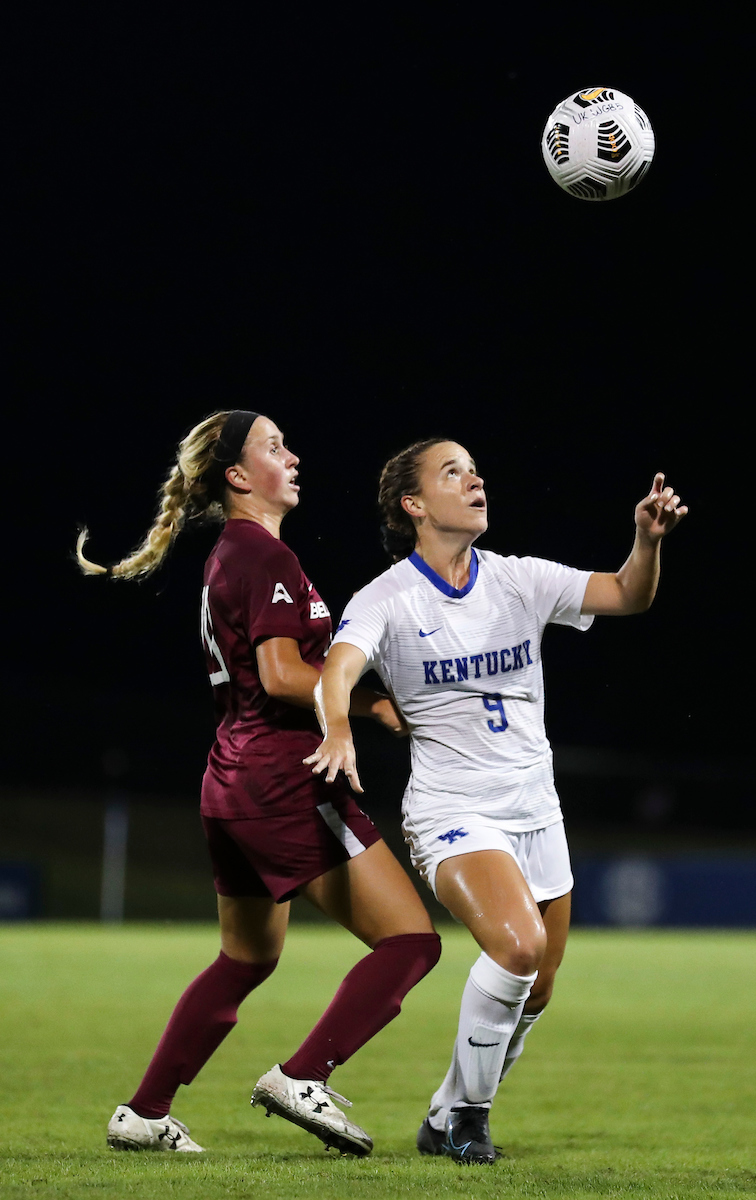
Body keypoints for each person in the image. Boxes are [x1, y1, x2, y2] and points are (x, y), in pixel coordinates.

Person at [305, 437, 688, 1164]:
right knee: (517, 947)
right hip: (453, 811)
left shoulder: (518, 579)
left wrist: (646, 541)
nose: (474, 479)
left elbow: (627, 594)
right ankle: (469, 1119)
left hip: (536, 810)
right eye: (452, 472)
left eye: (475, 469)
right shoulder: (387, 598)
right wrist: (338, 728)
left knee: (536, 988)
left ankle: (443, 1113)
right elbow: (337, 671)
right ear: (414, 505)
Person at [76, 410, 441, 1157]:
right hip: (283, 778)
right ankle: (302, 1076)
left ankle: (144, 1113)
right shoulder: (262, 556)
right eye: (275, 447)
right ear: (239, 476)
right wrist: (368, 704)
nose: (293, 456)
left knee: (246, 959)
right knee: (411, 942)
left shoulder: (234, 554)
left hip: (232, 779)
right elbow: (279, 676)